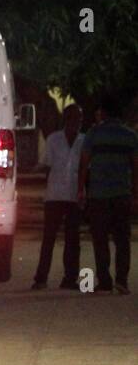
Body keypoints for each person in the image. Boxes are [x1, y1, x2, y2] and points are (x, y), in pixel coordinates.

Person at [77, 94, 138, 295]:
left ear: (103, 112)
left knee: (100, 238)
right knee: (122, 239)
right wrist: (134, 195)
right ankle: (122, 280)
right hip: (122, 193)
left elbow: (84, 164)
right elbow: (136, 167)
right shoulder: (129, 136)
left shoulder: (94, 134)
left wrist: (81, 190)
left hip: (99, 194)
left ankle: (104, 279)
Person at [32, 104, 84, 290]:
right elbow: (46, 164)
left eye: (79, 119)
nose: (77, 122)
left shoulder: (84, 141)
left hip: (74, 196)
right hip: (54, 195)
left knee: (73, 240)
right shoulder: (54, 140)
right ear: (66, 119)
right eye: (73, 118)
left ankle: (70, 279)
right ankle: (41, 278)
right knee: (49, 238)